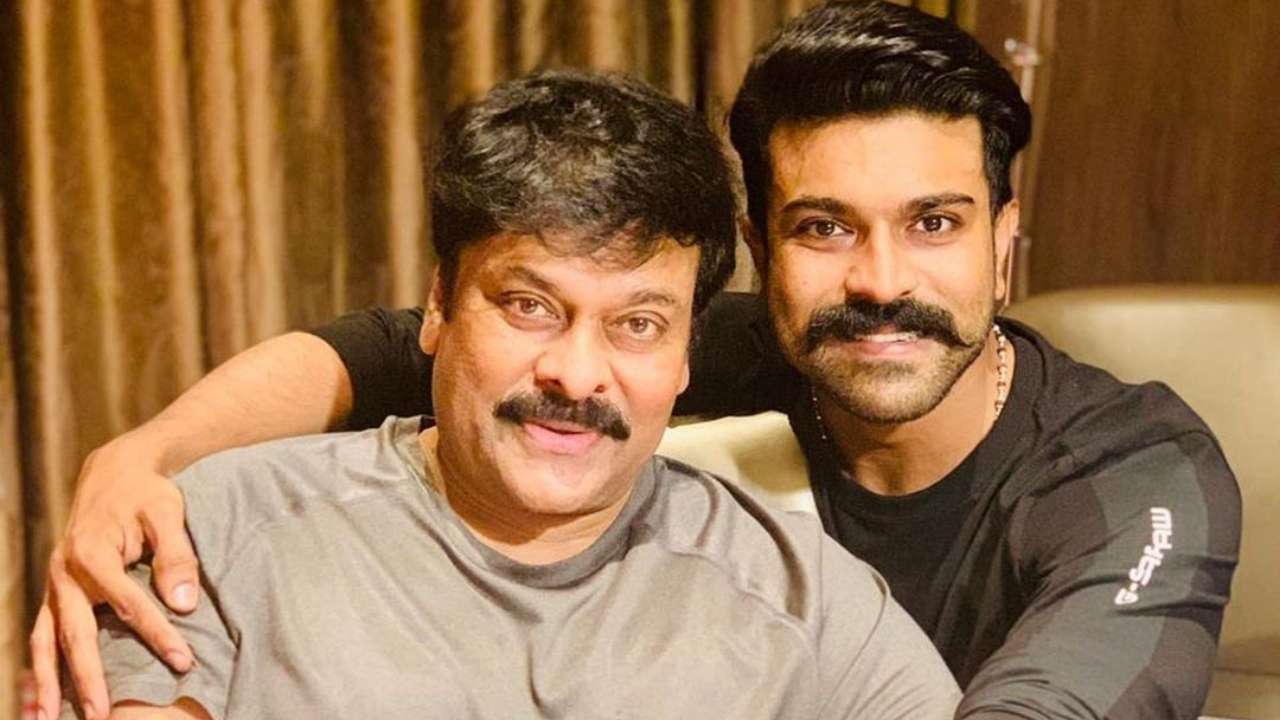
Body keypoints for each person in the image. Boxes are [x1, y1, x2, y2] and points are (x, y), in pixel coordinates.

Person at [34, 2, 1240, 719]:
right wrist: (147, 457)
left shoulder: (1134, 474)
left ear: (1003, 243)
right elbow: (387, 351)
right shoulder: (729, 344)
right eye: (823, 227)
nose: (879, 280)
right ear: (764, 252)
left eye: (933, 222)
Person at [52, 70, 958, 720]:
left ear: (688, 353)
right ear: (439, 306)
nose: (576, 373)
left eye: (639, 323)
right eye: (529, 306)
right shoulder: (217, 537)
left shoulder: (807, 603)